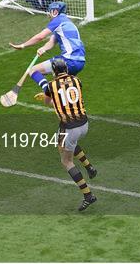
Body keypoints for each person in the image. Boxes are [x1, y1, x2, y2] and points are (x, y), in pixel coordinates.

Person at [38, 57, 97, 211]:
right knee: (63, 144)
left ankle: (88, 195)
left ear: (54, 71)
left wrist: (43, 95)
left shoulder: (51, 85)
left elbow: (49, 102)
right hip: (84, 123)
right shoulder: (77, 80)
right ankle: (89, 167)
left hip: (69, 127)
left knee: (66, 161)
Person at [9, 1, 86, 97]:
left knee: (33, 70)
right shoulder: (66, 22)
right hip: (80, 62)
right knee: (60, 92)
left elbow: (40, 37)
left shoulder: (58, 20)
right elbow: (52, 42)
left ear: (55, 12)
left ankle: (47, 89)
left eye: (50, 12)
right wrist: (43, 48)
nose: (48, 15)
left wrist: (23, 45)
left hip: (68, 60)